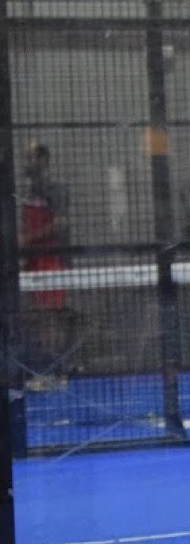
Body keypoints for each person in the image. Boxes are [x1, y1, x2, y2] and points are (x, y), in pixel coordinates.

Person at [17, 140, 72, 390]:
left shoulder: (55, 189)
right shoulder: (28, 192)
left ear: (44, 161)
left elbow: (60, 223)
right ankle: (42, 371)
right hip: (33, 261)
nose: (27, 164)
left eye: (32, 158)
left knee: (51, 317)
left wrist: (28, 238)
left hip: (50, 260)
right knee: (38, 317)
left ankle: (57, 371)